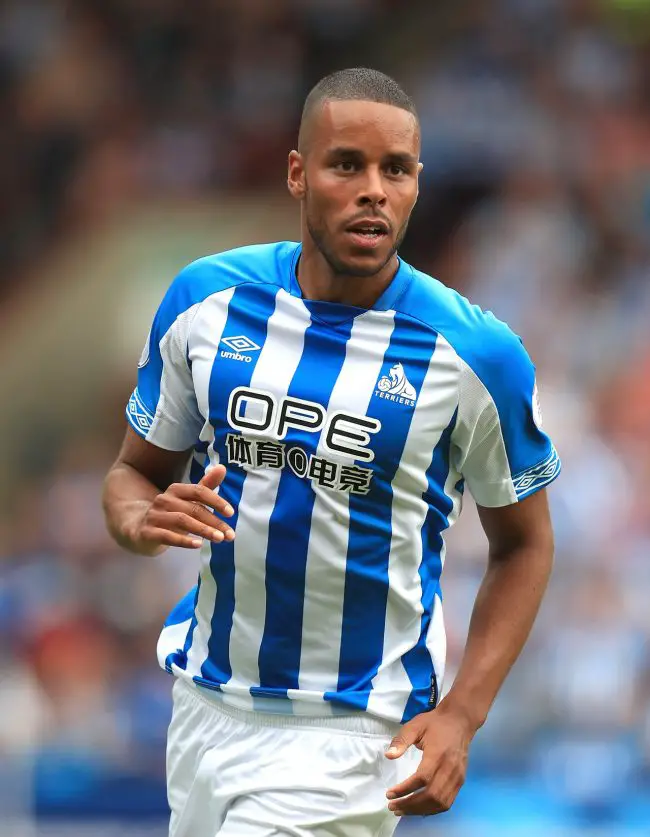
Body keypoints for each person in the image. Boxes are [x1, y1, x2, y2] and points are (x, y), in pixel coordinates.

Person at [103, 67, 560, 837]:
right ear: (297, 173)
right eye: (347, 164)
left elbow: (526, 544)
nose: (373, 190)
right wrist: (139, 520)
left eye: (396, 170)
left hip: (350, 733)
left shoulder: (475, 354)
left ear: (417, 184)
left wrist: (464, 713)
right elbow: (131, 475)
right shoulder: (206, 301)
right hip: (204, 705)